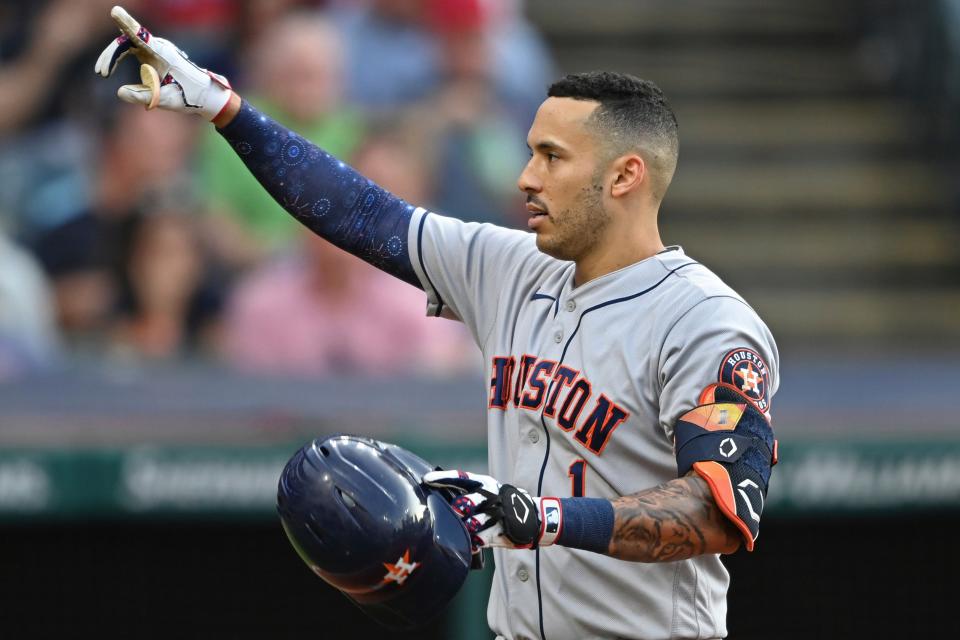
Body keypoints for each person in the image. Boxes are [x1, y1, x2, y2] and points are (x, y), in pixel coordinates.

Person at [96, 8, 780, 640]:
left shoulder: (708, 323)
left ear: (625, 176)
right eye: (530, 152)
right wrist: (228, 109)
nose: (525, 177)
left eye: (551, 156)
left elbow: (719, 510)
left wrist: (541, 517)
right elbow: (362, 213)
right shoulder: (509, 266)